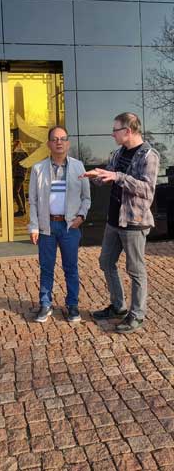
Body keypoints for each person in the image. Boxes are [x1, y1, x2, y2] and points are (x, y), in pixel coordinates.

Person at [81, 113, 160, 333]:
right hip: (114, 221)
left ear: (128, 131)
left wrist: (118, 177)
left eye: (115, 130)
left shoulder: (149, 155)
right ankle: (118, 307)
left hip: (134, 222)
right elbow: (109, 175)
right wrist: (95, 175)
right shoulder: (118, 153)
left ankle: (137, 314)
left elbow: (147, 190)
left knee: (136, 271)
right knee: (106, 262)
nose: (112, 133)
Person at [29, 125, 91, 323]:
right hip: (47, 227)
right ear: (48, 144)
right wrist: (34, 226)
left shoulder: (79, 167)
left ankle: (72, 305)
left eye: (62, 138)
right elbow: (33, 201)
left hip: (69, 227)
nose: (59, 142)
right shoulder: (38, 169)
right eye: (55, 139)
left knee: (71, 268)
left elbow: (86, 197)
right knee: (46, 268)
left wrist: (81, 217)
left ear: (68, 143)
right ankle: (45, 304)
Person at [12, 139, 28, 217]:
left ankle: (21, 210)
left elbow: (14, 162)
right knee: (21, 193)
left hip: (19, 175)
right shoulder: (24, 153)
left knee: (15, 192)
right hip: (21, 175)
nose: (13, 146)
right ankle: (23, 209)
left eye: (14, 145)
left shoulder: (19, 154)